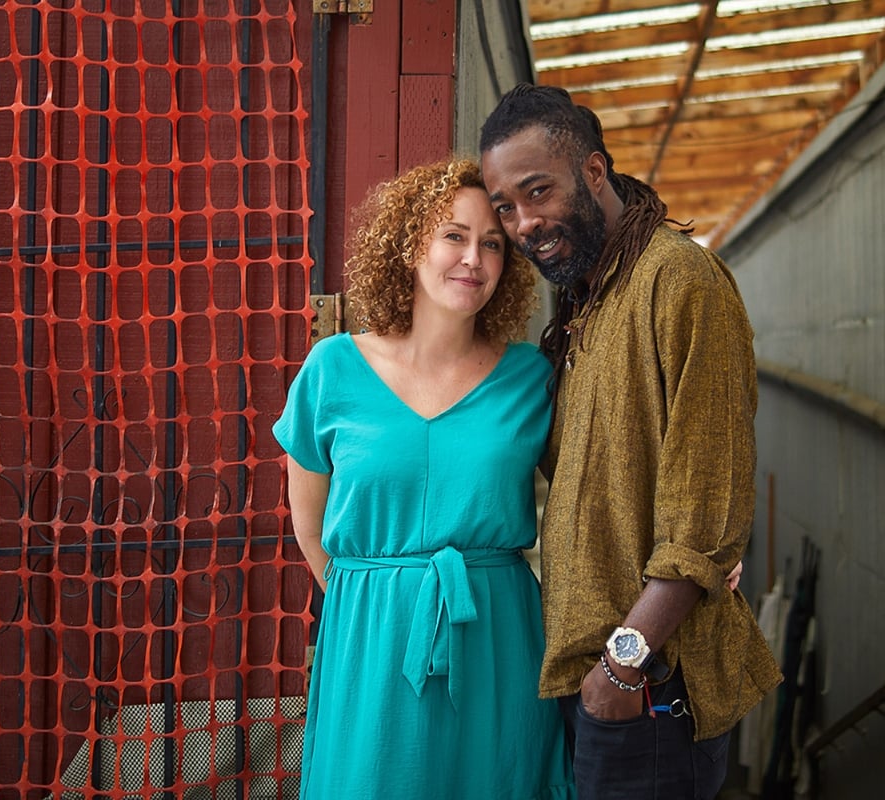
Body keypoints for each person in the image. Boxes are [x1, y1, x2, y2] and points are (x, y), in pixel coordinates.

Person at [479, 84, 783, 798]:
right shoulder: (589, 298)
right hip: (593, 682)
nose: (525, 223)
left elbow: (705, 515)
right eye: (506, 207)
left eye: (538, 191)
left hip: (647, 688)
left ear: (593, 171)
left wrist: (620, 669)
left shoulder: (680, 282)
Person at [273, 158, 575, 799]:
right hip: (371, 635)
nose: (474, 258)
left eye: (492, 244)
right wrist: (386, 593)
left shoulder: (531, 377)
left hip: (497, 634)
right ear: (412, 244)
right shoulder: (333, 368)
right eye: (454, 236)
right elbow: (310, 527)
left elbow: (596, 481)